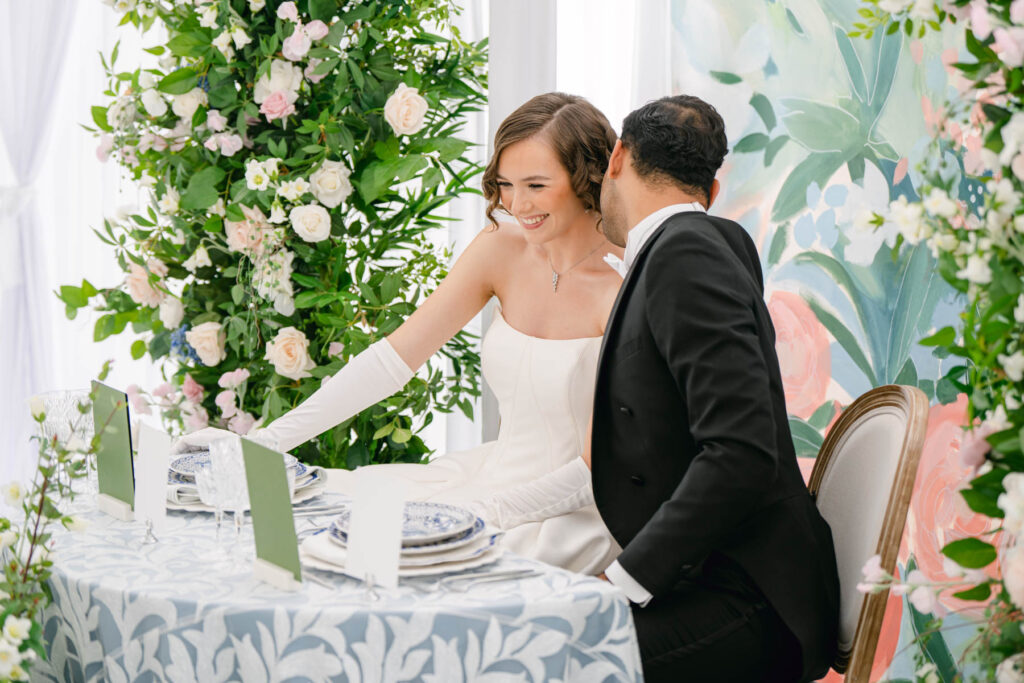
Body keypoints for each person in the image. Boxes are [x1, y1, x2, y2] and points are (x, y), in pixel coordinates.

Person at [180, 92, 624, 574]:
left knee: (393, 568)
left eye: (537, 185)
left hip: (567, 512)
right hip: (484, 480)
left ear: (588, 178)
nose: (518, 204)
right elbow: (391, 361)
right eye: (505, 184)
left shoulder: (625, 284)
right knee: (315, 529)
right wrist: (265, 443)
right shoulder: (502, 249)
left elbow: (598, 465)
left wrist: (485, 514)